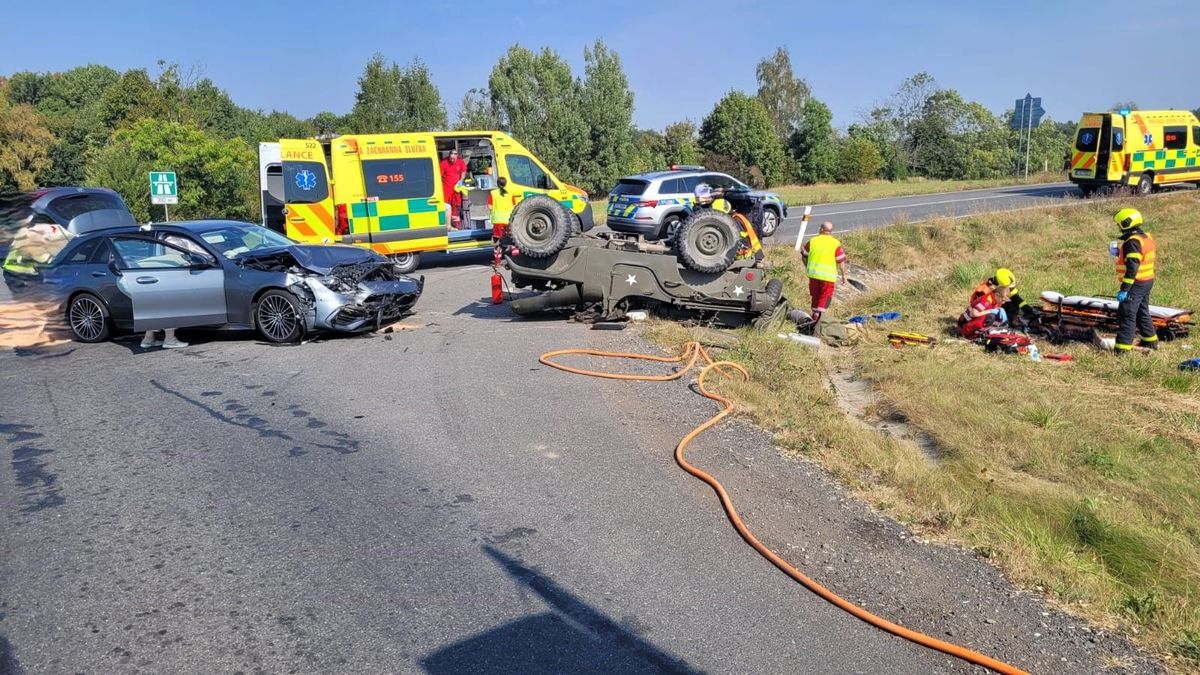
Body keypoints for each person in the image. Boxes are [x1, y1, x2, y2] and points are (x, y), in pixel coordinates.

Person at [1112, 207, 1158, 354]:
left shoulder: (1132, 242)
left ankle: (1122, 349)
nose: (1118, 227)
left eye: (1119, 224)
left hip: (1136, 283)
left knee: (1127, 314)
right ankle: (1150, 342)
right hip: (1146, 281)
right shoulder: (1145, 237)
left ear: (1126, 223)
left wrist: (1124, 289)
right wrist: (1120, 253)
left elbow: (1132, 268)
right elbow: (1137, 258)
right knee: (1141, 312)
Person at [800, 222, 848, 322]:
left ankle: (814, 314)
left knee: (815, 295)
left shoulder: (813, 241)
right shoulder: (835, 243)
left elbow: (804, 254)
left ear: (821, 229)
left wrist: (807, 266)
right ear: (830, 231)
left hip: (813, 275)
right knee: (825, 297)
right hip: (828, 276)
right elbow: (841, 260)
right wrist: (844, 275)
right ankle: (818, 317)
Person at [440, 148, 468, 228]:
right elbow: (439, 176)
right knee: (446, 206)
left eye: (454, 159)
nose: (452, 160)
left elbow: (463, 171)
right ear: (449, 156)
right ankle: (447, 225)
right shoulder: (443, 163)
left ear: (457, 156)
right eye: (451, 158)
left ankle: (456, 225)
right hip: (446, 188)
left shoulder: (460, 161)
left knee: (456, 206)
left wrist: (461, 180)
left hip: (456, 188)